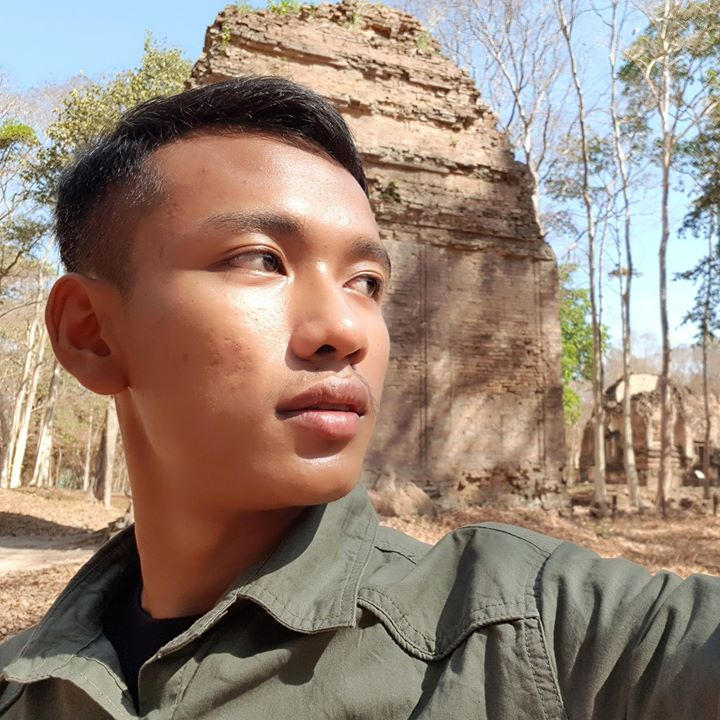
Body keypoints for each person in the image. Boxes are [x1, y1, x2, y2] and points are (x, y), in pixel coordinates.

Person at [0, 76, 718, 720]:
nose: (345, 330)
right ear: (91, 333)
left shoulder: (533, 633)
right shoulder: (21, 687)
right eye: (261, 259)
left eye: (366, 282)